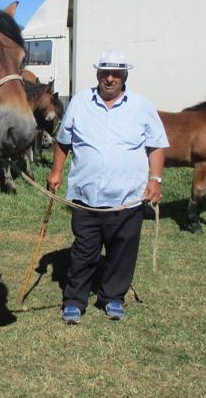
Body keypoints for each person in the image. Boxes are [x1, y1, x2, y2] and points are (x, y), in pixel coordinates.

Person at [47, 49, 169, 323]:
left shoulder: (141, 106)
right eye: (105, 73)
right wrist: (56, 171)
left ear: (125, 76)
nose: (110, 79)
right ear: (97, 74)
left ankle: (112, 297)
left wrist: (156, 180)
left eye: (116, 74)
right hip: (87, 197)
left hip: (127, 199)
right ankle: (75, 300)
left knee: (122, 251)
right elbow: (64, 141)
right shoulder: (80, 102)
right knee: (83, 251)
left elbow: (157, 145)